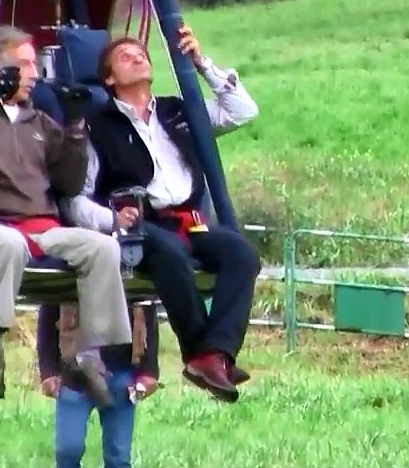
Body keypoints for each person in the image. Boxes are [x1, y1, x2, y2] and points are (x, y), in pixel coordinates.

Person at [0, 25, 133, 406]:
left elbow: (70, 183)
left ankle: (90, 352)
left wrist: (74, 129)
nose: (35, 74)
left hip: (43, 226)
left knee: (103, 248)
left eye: (35, 65)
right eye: (25, 65)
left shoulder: (39, 122)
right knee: (7, 245)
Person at [63, 23, 261, 402]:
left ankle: (213, 354)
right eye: (125, 56)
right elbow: (76, 199)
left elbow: (242, 111)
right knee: (168, 253)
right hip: (141, 227)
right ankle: (203, 354)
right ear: (109, 78)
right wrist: (111, 221)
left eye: (142, 54)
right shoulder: (98, 128)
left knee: (242, 254)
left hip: (190, 222)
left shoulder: (177, 112)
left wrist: (201, 63)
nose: (138, 57)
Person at [38, 302, 160, 468]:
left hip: (121, 371)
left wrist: (149, 371)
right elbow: (49, 307)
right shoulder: (70, 276)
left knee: (118, 458)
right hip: (74, 375)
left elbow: (147, 307)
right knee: (68, 451)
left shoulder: (131, 276)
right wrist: (48, 370)